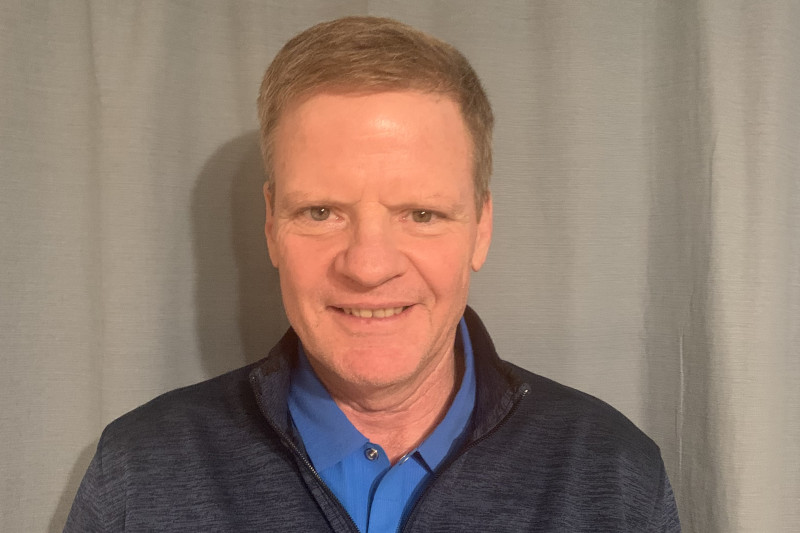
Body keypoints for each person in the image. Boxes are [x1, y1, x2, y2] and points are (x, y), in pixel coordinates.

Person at [65, 16, 680, 532]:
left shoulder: (610, 473)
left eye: (421, 213)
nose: (368, 266)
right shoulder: (140, 475)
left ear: (481, 228)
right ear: (272, 226)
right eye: (322, 212)